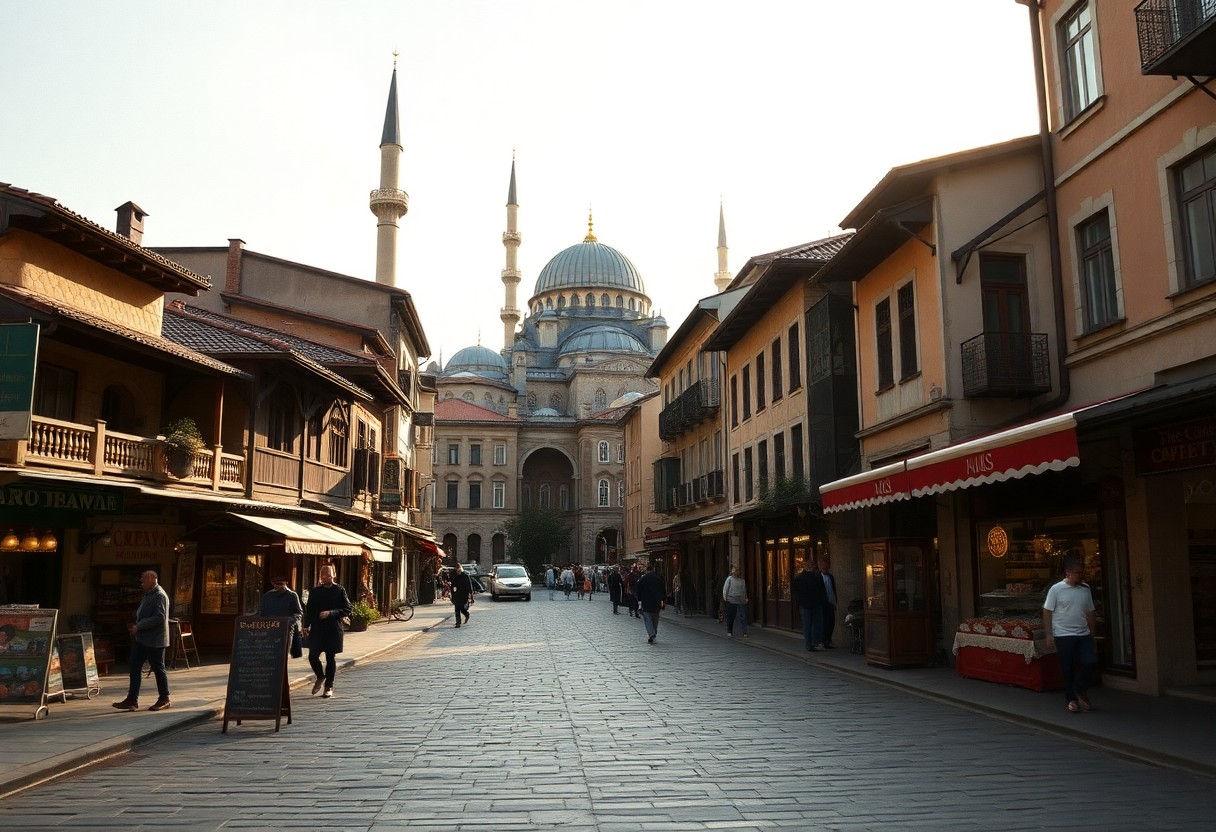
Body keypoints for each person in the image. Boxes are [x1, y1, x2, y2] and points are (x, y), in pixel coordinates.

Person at [1043, 558, 1098, 714]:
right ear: (1068, 573)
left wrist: (1092, 632)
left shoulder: (1085, 589)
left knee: (1090, 662)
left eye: (1082, 573)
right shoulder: (1056, 589)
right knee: (1067, 668)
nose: (1080, 576)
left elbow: (1090, 611)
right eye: (1077, 573)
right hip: (1063, 634)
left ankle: (1079, 689)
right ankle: (1071, 699)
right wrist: (1049, 634)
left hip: (1083, 633)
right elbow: (1047, 611)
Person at [112, 570, 171, 712]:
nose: (141, 583)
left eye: (144, 580)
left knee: (158, 668)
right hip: (142, 639)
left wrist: (139, 626)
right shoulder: (148, 595)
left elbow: (159, 618)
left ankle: (164, 698)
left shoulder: (159, 596)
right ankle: (132, 699)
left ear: (152, 579)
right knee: (134, 666)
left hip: (154, 640)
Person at [302, 564, 353, 699]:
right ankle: (320, 676)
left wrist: (331, 613)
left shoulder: (339, 590)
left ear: (334, 575)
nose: (325, 578)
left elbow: (348, 608)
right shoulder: (315, 591)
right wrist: (305, 626)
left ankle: (328, 686)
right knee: (313, 656)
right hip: (317, 629)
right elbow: (310, 611)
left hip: (333, 628)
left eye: (328, 575)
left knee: (330, 657)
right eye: (323, 575)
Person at [260, 576, 304, 658]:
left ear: (285, 583)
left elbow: (298, 613)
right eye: (275, 584)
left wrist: (289, 621)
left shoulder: (292, 595)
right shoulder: (268, 596)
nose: (277, 586)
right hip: (270, 628)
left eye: (280, 584)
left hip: (286, 629)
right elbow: (262, 612)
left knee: (283, 655)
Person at [791, 559, 826, 651]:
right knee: (816, 623)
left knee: (807, 624)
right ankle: (815, 642)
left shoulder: (798, 577)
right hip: (815, 603)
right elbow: (822, 591)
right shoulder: (817, 576)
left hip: (805, 604)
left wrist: (799, 602)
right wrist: (823, 602)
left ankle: (809, 644)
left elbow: (796, 592)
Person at [636, 564, 665, 644]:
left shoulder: (642, 579)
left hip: (646, 602)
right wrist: (663, 600)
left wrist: (639, 600)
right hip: (656, 602)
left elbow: (638, 591)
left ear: (646, 570)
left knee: (648, 619)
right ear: (653, 569)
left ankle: (651, 634)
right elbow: (663, 590)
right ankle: (653, 634)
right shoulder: (659, 579)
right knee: (655, 619)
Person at [722, 566, 749, 638]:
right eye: (736, 571)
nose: (737, 573)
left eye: (738, 571)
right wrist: (725, 598)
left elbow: (744, 590)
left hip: (741, 600)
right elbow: (725, 588)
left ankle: (745, 631)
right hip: (731, 600)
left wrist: (745, 597)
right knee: (731, 616)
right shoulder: (729, 579)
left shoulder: (742, 581)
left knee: (743, 616)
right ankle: (729, 631)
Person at [818, 556, 838, 649]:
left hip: (831, 602)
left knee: (831, 622)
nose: (826, 566)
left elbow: (833, 590)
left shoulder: (830, 577)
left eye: (827, 564)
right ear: (821, 566)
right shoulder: (818, 577)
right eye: (824, 564)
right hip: (823, 603)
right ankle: (824, 640)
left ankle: (828, 640)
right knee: (824, 623)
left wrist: (834, 602)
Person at [450, 563, 473, 628]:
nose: (457, 570)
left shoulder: (465, 576)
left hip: (464, 594)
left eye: (458, 568)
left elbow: (469, 585)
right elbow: (452, 585)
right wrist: (451, 593)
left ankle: (466, 614)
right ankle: (458, 622)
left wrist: (471, 594)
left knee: (461, 608)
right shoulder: (454, 576)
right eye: (456, 568)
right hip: (457, 593)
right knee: (457, 608)